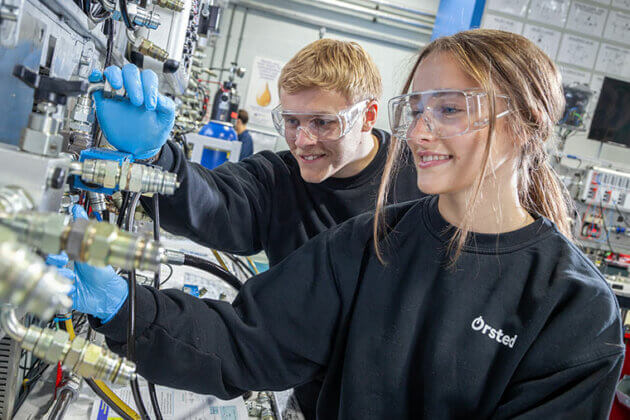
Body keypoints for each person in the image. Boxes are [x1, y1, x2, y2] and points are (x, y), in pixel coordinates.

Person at [75, 29, 625, 418]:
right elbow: (245, 343)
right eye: (417, 110)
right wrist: (120, 306)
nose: (421, 131)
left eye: (450, 110)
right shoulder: (371, 241)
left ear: (525, 123)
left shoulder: (574, 309)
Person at [85, 39, 422, 419]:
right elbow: (213, 202)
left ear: (367, 115)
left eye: (323, 122)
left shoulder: (419, 185)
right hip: (315, 400)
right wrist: (155, 160)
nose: (302, 140)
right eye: (291, 121)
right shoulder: (279, 179)